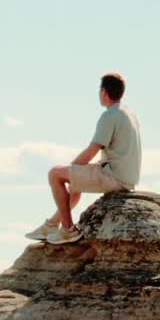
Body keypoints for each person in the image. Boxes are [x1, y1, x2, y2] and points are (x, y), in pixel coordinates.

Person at [26, 72, 142, 246]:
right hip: (124, 175)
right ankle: (51, 225)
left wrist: (73, 169)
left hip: (115, 177)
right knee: (74, 182)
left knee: (55, 174)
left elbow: (92, 150)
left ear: (104, 92)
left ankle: (67, 230)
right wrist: (75, 173)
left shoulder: (110, 115)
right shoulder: (128, 113)